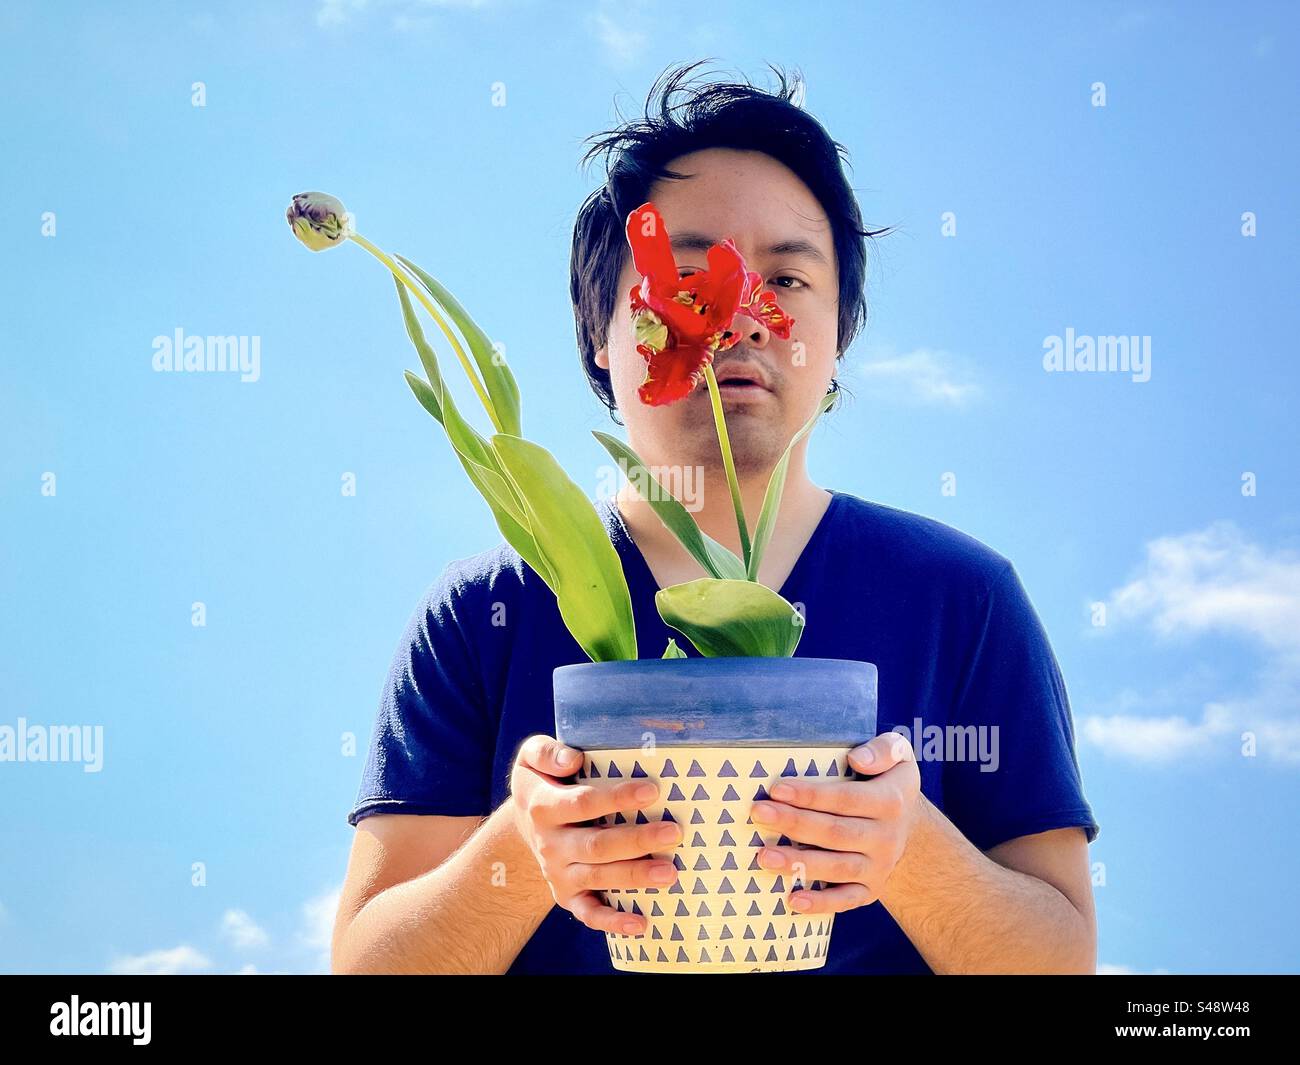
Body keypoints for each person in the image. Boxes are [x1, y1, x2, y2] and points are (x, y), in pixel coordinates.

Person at [330, 62, 1100, 975]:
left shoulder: (963, 598)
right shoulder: (481, 613)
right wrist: (522, 850)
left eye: (784, 280)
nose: (736, 318)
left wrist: (911, 849)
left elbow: (1062, 959)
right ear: (600, 331)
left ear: (840, 333)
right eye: (687, 279)